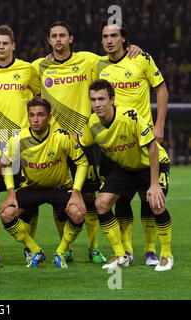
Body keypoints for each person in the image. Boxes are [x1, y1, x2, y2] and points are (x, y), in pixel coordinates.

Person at [29, 21, 141, 264]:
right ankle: (66, 248)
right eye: (54, 36)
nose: (58, 40)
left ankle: (93, 246)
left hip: (84, 141)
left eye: (62, 36)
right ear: (49, 40)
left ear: (71, 38)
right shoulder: (38, 66)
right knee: (61, 195)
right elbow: (5, 68)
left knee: (90, 196)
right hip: (56, 143)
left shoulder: (89, 60)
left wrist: (133, 49)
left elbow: (115, 57)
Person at [0, 96, 89, 268]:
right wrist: (11, 194)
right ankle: (35, 250)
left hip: (59, 187)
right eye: (31, 115)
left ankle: (61, 252)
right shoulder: (19, 137)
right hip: (31, 188)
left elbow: (82, 162)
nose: (35, 120)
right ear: (27, 116)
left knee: (77, 212)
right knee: (7, 213)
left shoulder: (62, 136)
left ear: (49, 117)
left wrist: (75, 193)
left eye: (40, 115)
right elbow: (4, 164)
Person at [94, 21, 169, 266]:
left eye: (114, 36)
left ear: (124, 38)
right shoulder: (98, 64)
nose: (109, 40)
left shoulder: (141, 58)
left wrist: (158, 126)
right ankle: (125, 252)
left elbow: (162, 90)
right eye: (105, 36)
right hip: (115, 143)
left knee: (148, 198)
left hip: (141, 138)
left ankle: (150, 251)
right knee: (119, 200)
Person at [78, 79, 173, 271]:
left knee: (156, 203)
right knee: (101, 203)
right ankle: (120, 254)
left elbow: (153, 146)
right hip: (126, 167)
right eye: (93, 99)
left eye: (102, 99)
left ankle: (166, 255)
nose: (97, 104)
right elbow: (80, 141)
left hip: (151, 163)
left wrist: (154, 185)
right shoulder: (93, 123)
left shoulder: (130, 116)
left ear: (112, 99)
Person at [0, 25, 41, 265]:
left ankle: (29, 247)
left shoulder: (27, 69)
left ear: (13, 45)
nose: (1, 47)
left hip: (21, 143)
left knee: (26, 198)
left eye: (6, 43)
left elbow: (40, 98)